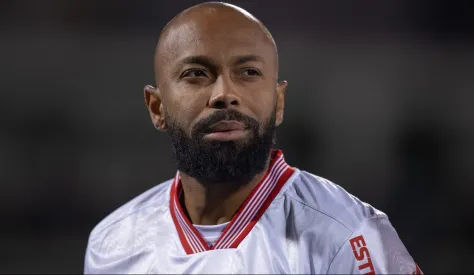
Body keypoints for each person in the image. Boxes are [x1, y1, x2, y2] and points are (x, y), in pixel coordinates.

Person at [84, 2, 422, 274]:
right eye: (196, 74)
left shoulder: (347, 236)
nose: (225, 94)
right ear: (156, 107)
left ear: (279, 103)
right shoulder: (113, 245)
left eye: (248, 73)